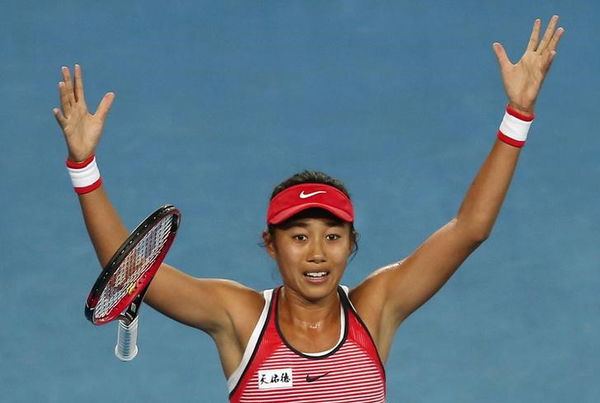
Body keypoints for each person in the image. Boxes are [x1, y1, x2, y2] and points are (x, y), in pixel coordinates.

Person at [54, 16, 564, 402]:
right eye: (298, 237)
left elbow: (470, 229)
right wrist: (84, 167)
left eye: (333, 235)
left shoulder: (376, 306)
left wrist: (518, 114)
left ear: (351, 245)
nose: (317, 252)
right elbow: (129, 271)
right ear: (271, 246)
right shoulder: (239, 317)